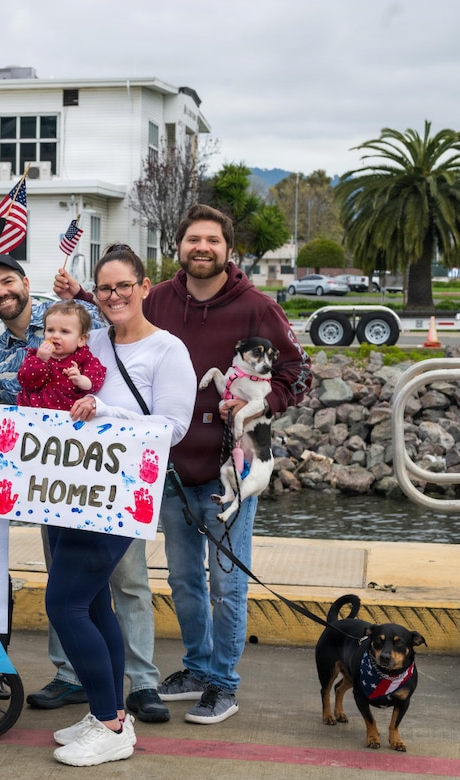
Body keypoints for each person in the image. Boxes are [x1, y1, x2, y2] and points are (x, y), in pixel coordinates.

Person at [147, 204, 312, 724]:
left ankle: (223, 683)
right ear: (179, 245)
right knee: (183, 580)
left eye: (212, 240)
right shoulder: (156, 302)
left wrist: (260, 403)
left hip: (233, 472)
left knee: (227, 584)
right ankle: (197, 668)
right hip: (171, 470)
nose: (202, 247)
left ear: (228, 249)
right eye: (193, 238)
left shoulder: (258, 306)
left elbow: (299, 374)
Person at [0, 253, 116, 713]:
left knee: (124, 582)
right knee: (64, 579)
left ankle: (141, 682)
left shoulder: (70, 313)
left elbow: (121, 324)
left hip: (101, 470)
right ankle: (72, 675)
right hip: (47, 484)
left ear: (25, 281)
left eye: (7, 281)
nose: (1, 293)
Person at [46, 243, 195, 767]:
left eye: (122, 286)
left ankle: (110, 724)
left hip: (119, 495)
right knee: (90, 604)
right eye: (105, 288)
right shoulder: (97, 342)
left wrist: (105, 410)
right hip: (73, 489)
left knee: (63, 604)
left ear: (144, 287)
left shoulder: (168, 350)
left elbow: (173, 429)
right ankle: (105, 712)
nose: (113, 296)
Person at [16, 299, 106, 410]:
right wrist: (40, 361)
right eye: (50, 330)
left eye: (64, 331)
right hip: (34, 415)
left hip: (68, 416)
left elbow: (95, 380)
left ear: (81, 340)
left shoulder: (83, 358)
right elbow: (26, 381)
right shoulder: (36, 356)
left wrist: (80, 380)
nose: (55, 336)